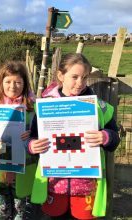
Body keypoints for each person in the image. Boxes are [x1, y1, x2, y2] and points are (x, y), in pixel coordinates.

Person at [28, 53, 120, 219]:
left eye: (84, 77)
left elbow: (114, 139)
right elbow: (33, 136)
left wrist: (105, 137)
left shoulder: (99, 107)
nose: (80, 83)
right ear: (61, 76)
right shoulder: (45, 106)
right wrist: (32, 145)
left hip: (85, 184)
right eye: (75, 77)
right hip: (55, 184)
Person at [0, 61, 37, 220]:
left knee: (20, 211)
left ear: (25, 84)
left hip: (23, 169)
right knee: (1, 210)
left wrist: (32, 134)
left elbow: (40, 135)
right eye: (8, 81)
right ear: (1, 83)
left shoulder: (32, 108)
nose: (13, 86)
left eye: (18, 82)